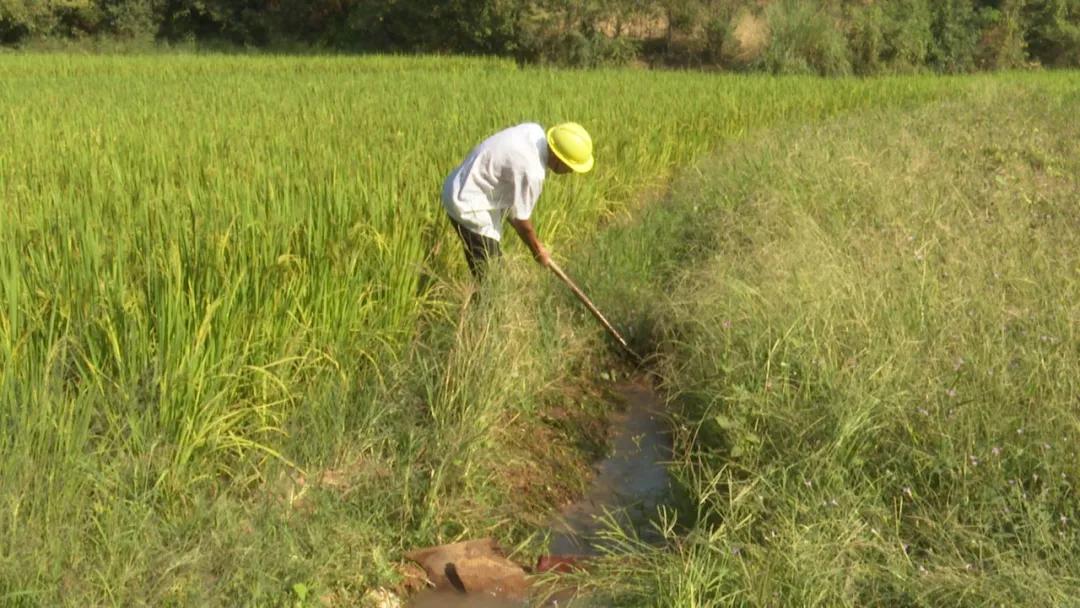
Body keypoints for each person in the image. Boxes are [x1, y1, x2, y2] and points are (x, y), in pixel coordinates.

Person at [441, 122, 594, 279]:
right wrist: (537, 250)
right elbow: (521, 220)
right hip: (468, 203)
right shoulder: (532, 172)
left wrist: (535, 246)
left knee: (487, 271)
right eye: (570, 167)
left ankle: (477, 298)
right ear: (557, 158)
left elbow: (513, 210)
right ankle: (485, 302)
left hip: (464, 183)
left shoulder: (534, 131)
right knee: (492, 279)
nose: (570, 172)